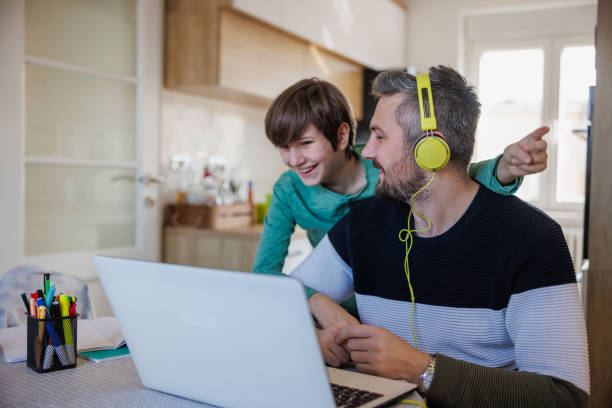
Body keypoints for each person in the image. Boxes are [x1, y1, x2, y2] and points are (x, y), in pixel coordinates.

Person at [291, 67, 589, 407]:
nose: (368, 152)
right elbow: (285, 296)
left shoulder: (533, 240)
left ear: (431, 149)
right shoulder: (363, 223)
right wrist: (313, 332)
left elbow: (565, 397)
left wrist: (421, 369)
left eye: (380, 136)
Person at [253, 77, 548, 319]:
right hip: (330, 312)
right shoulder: (288, 190)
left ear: (342, 137)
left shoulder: (389, 172)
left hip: (392, 308)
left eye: (305, 144)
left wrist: (503, 168)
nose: (293, 159)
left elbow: (448, 177)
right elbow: (264, 273)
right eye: (283, 147)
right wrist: (317, 304)